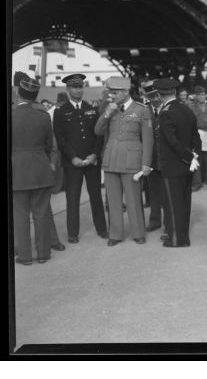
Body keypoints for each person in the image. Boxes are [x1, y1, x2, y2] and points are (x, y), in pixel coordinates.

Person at [94, 76, 153, 246]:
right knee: (113, 200)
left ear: (126, 92)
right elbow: (98, 131)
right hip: (111, 158)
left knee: (134, 199)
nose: (112, 95)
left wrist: (146, 163)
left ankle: (138, 232)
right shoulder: (108, 108)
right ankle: (116, 234)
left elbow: (148, 139)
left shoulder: (141, 109)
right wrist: (106, 113)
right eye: (111, 92)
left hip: (132, 160)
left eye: (115, 92)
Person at [53, 74, 108, 243]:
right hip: (72, 162)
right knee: (73, 197)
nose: (78, 90)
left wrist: (94, 154)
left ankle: (101, 229)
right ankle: (73, 233)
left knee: (96, 195)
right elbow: (60, 138)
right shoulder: (60, 111)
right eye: (75, 87)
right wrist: (73, 157)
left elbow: (98, 134)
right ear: (68, 90)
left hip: (91, 160)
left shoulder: (91, 108)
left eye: (80, 87)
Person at [12, 75, 56, 265]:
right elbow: (49, 145)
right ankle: (43, 254)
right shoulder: (44, 116)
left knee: (20, 216)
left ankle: (25, 256)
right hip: (40, 169)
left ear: (17, 93)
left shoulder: (11, 115)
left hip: (18, 171)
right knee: (41, 213)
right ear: (34, 95)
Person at [155, 78, 201, 247]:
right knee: (184, 202)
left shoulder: (166, 112)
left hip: (173, 165)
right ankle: (182, 233)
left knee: (172, 204)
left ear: (159, 95)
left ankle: (177, 239)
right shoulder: (186, 109)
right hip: (188, 165)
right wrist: (195, 156)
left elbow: (171, 141)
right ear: (174, 92)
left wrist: (188, 156)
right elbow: (196, 137)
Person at [141, 80, 166, 234]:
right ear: (147, 97)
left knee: (169, 193)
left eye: (157, 95)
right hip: (151, 158)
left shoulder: (169, 108)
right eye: (151, 97)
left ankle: (169, 223)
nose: (155, 99)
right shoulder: (143, 111)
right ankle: (155, 221)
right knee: (153, 191)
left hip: (167, 158)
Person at [190, 85, 207, 191]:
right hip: (198, 133)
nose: (201, 97)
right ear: (196, 96)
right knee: (197, 158)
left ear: (206, 95)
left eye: (203, 94)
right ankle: (197, 183)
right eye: (199, 95)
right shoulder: (191, 107)